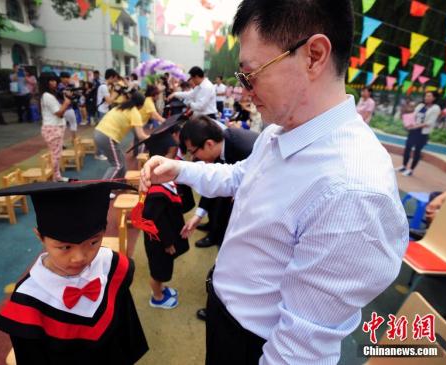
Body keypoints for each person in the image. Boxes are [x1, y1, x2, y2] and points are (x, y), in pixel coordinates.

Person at [140, 1, 408, 363]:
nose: (245, 91)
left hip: (255, 344)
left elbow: (300, 348)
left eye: (251, 74)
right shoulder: (279, 131)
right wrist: (181, 170)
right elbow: (241, 176)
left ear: (313, 55)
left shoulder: (353, 190)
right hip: (227, 315)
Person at [0, 181, 148, 364]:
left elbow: (127, 330)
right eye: (65, 247)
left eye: (93, 242)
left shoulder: (111, 264)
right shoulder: (28, 299)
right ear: (40, 237)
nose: (79, 257)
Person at [179, 116, 258, 322]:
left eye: (194, 153)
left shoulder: (247, 148)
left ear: (209, 143)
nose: (194, 158)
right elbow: (217, 182)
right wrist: (198, 216)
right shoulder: (221, 148)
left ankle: (222, 309)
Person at [134, 117, 191, 309]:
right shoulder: (155, 191)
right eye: (171, 155)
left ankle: (161, 288)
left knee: (164, 267)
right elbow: (153, 220)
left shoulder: (160, 179)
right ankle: (157, 297)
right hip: (158, 240)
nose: (174, 159)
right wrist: (167, 242)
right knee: (158, 270)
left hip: (161, 237)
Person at [94, 92, 149, 179]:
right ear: (141, 105)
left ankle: (121, 183)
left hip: (99, 132)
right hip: (107, 136)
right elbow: (140, 135)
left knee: (121, 161)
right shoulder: (134, 112)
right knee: (117, 165)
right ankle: (102, 189)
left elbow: (135, 132)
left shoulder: (121, 107)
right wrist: (153, 137)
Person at [396, 91, 441, 177]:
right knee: (407, 148)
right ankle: (404, 166)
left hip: (422, 133)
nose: (426, 97)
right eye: (426, 96)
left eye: (429, 96)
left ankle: (411, 170)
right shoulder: (421, 106)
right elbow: (413, 116)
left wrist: (416, 126)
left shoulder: (436, 108)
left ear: (434, 98)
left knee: (417, 151)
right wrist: (408, 124)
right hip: (413, 131)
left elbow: (429, 122)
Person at [39, 74, 71, 182]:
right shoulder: (47, 96)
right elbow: (59, 113)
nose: (54, 83)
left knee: (56, 154)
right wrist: (66, 103)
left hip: (53, 128)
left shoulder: (48, 95)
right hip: (53, 128)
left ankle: (56, 176)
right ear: (45, 82)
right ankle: (55, 178)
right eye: (51, 81)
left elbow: (59, 114)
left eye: (55, 81)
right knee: (55, 155)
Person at [57, 72, 79, 144]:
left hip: (69, 108)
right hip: (62, 108)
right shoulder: (60, 86)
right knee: (62, 126)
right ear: (61, 78)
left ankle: (74, 139)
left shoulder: (69, 85)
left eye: (68, 78)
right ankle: (61, 143)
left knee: (73, 123)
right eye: (66, 78)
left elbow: (75, 95)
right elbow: (68, 94)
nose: (68, 79)